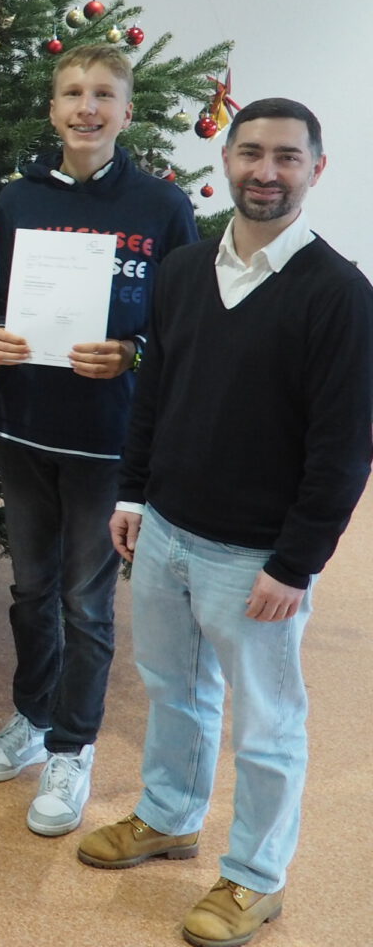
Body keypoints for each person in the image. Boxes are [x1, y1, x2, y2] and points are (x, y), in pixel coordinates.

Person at [77, 99, 370, 947]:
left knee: (267, 726)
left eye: (287, 157)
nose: (265, 172)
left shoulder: (341, 295)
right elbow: (154, 395)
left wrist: (296, 563)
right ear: (227, 160)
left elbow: (345, 448)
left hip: (257, 557)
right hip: (167, 530)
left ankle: (255, 877)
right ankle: (169, 816)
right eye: (250, 153)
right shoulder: (183, 271)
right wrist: (133, 495)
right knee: (173, 690)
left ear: (317, 169)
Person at [0, 44, 198, 838]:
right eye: (72, 93)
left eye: (103, 94)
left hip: (108, 438)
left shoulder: (162, 206)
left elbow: (184, 320)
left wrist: (133, 353)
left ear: (126, 112)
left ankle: (74, 746)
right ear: (52, 108)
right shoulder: (17, 200)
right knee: (30, 591)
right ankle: (33, 719)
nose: (87, 108)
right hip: (26, 425)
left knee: (85, 601)